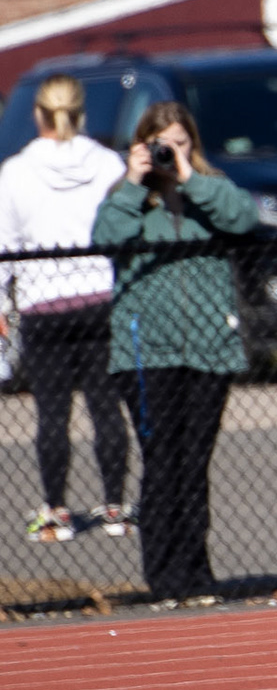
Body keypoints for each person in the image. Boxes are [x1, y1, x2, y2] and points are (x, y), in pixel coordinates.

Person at [92, 102, 259, 604]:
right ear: (141, 146)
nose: (170, 154)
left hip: (209, 347)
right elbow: (105, 239)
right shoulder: (127, 198)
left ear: (192, 145)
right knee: (162, 460)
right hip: (148, 353)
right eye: (161, 146)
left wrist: (188, 176)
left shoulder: (210, 190)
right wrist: (134, 180)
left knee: (194, 462)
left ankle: (197, 573)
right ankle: (164, 577)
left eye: (180, 144)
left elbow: (243, 218)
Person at [0, 76, 131, 543]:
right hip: (100, 296)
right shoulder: (108, 163)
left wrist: (1, 301)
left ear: (39, 114)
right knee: (106, 407)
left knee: (53, 412)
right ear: (82, 114)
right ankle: (115, 507)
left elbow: (5, 244)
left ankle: (56, 511)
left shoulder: (16, 171)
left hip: (44, 301)